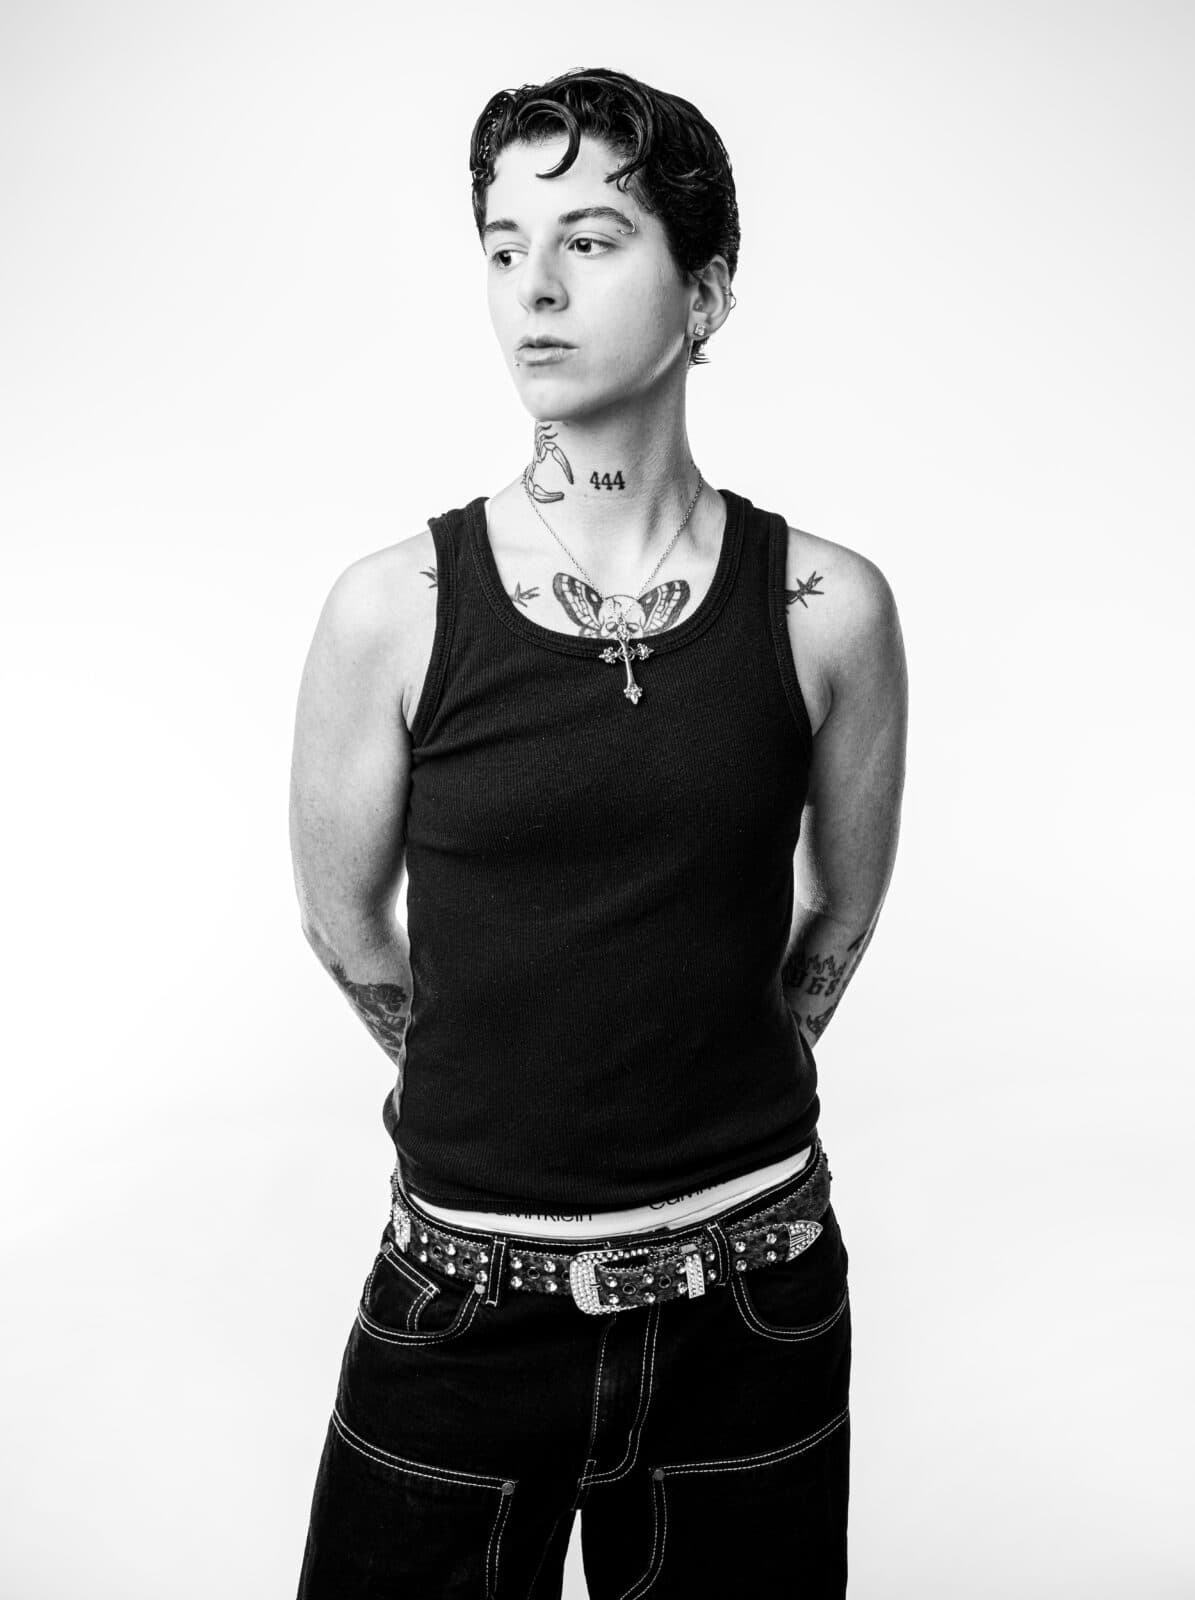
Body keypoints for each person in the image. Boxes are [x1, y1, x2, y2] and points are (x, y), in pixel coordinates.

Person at [289, 65, 907, 1599]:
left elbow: (840, 907)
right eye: (505, 246)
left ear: (706, 293)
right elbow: (345, 920)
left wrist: (714, 1055)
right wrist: (487, 1069)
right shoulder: (395, 609)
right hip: (461, 1310)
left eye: (590, 239)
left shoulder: (826, 607)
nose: (535, 287)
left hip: (754, 1305)